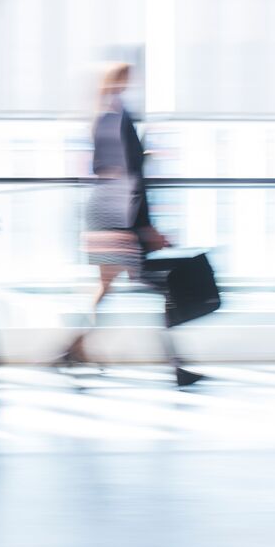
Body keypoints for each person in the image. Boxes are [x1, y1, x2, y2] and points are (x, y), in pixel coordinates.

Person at [59, 62, 204, 387]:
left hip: (104, 218)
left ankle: (73, 348)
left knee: (106, 289)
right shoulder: (118, 119)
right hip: (121, 222)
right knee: (161, 287)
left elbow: (110, 172)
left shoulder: (103, 119)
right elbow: (130, 178)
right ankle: (175, 364)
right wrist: (146, 227)